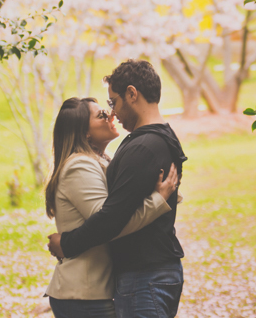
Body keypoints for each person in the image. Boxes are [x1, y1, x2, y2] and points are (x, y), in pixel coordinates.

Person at [48, 60, 187, 318]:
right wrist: (160, 199)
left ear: (132, 94)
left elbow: (109, 221)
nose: (112, 113)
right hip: (93, 290)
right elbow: (109, 218)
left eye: (112, 103)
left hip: (140, 277)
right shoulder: (149, 142)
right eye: (104, 111)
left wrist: (66, 243)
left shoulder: (141, 146)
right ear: (84, 132)